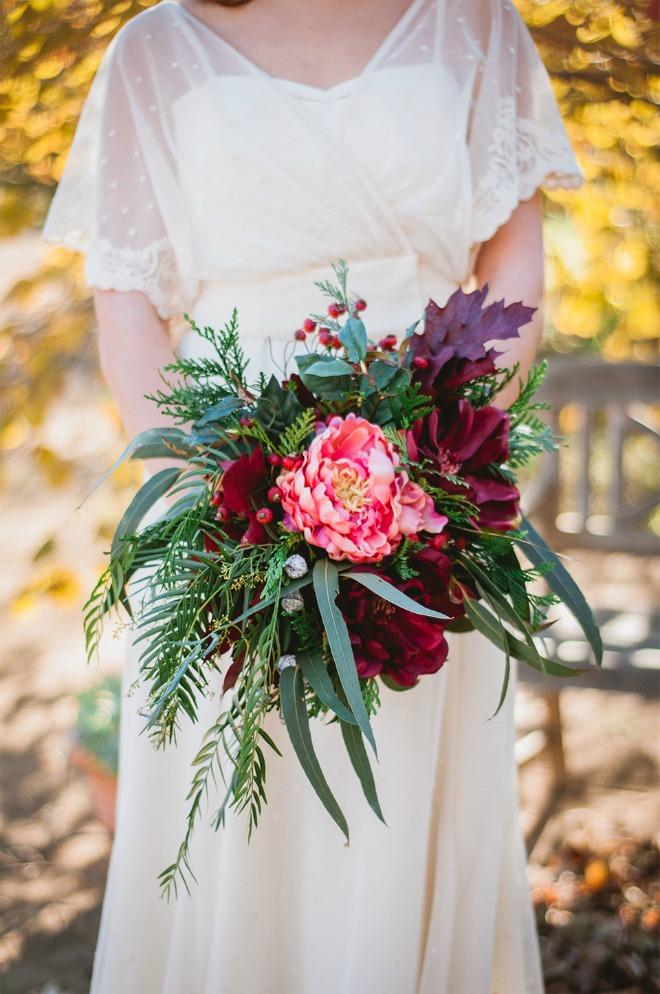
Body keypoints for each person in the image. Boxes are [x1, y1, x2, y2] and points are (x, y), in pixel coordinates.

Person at [43, 1, 583, 991]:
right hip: (223, 496)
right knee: (231, 831)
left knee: (403, 822)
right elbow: (125, 297)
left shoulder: (476, 20)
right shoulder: (155, 47)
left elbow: (513, 264)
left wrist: (434, 464)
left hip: (429, 499)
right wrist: (210, 489)